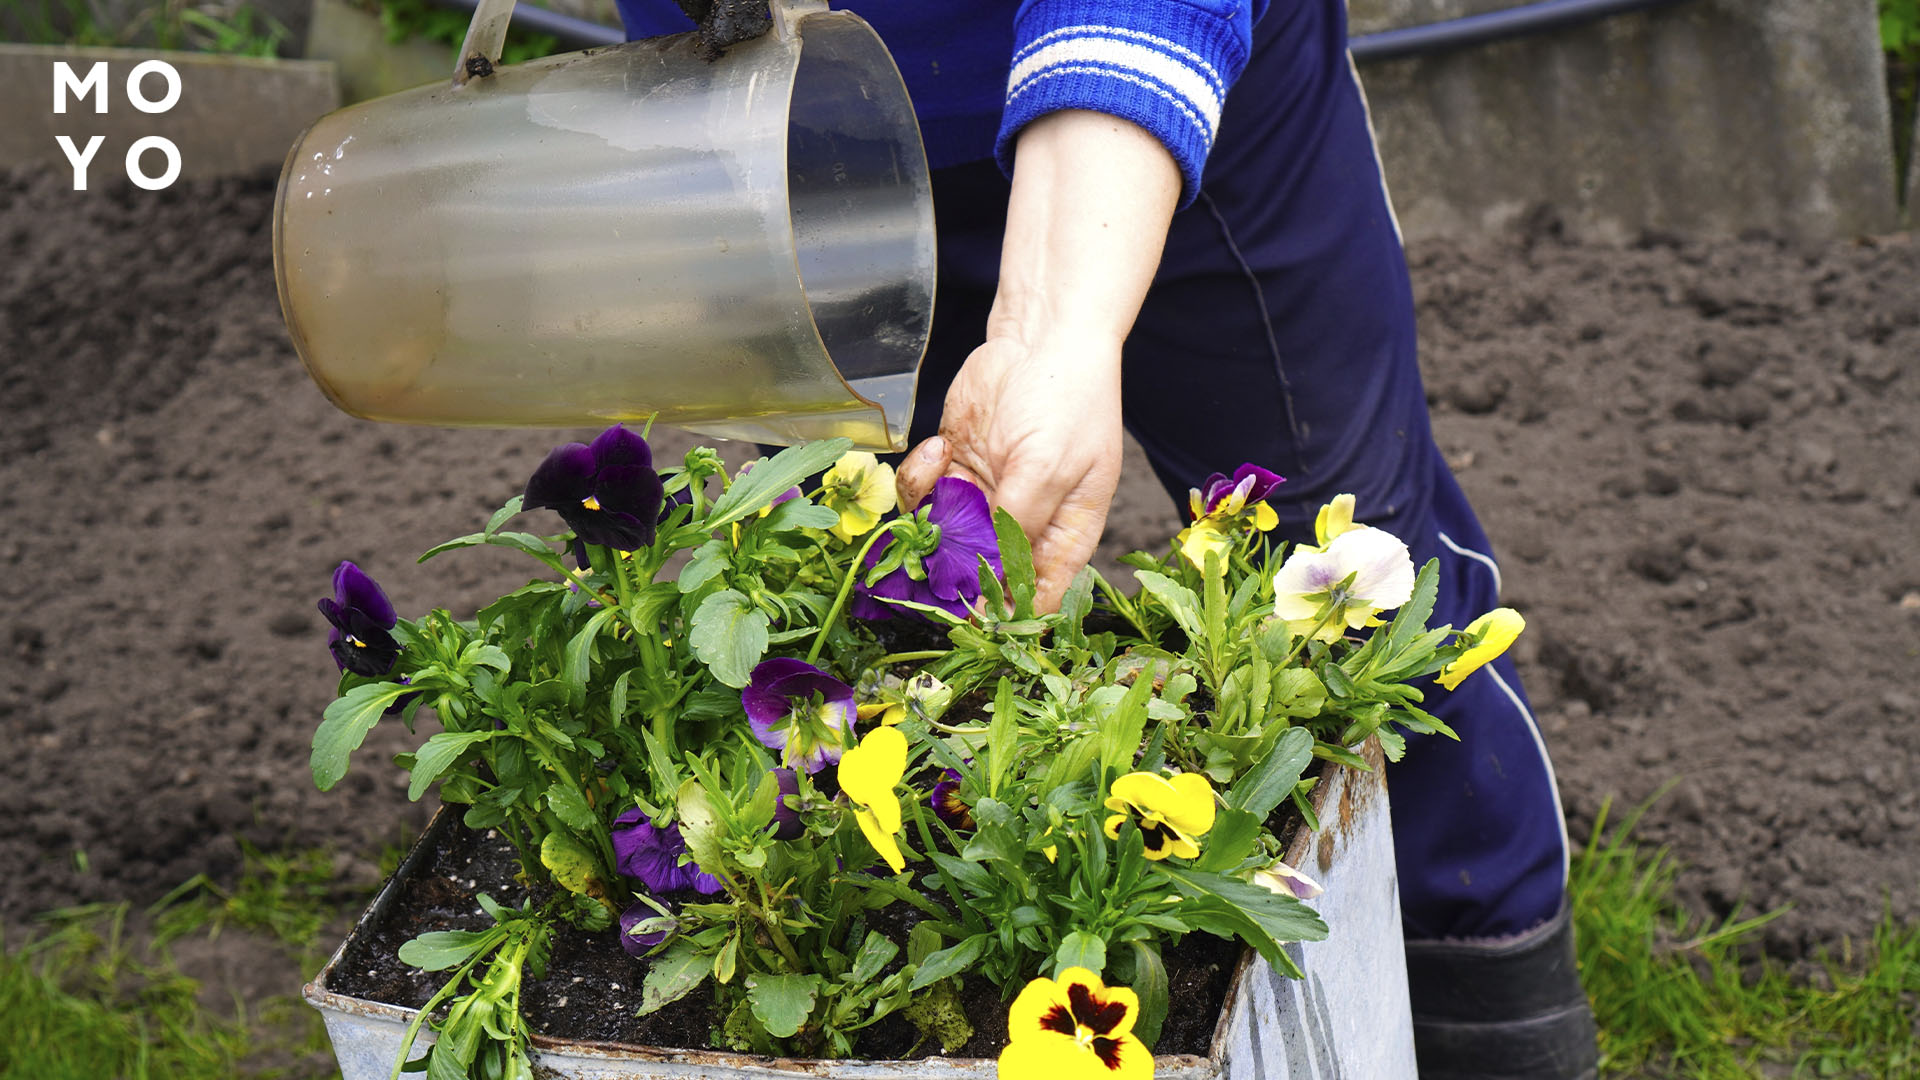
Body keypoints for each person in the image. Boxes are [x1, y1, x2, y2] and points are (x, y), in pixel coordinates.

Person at [617, 2, 1599, 1075]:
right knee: (847, 610)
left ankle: (1485, 988)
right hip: (779, 118)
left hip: (1167, 70)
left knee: (1367, 589)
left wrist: (1055, 330)